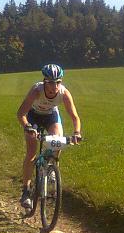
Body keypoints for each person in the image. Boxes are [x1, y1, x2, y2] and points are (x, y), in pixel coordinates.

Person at [16, 64, 82, 210]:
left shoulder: (64, 93)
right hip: (33, 117)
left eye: (58, 82)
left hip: (51, 116)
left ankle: (52, 166)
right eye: (51, 82)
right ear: (45, 82)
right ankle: (26, 190)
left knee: (58, 139)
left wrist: (77, 133)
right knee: (31, 154)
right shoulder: (36, 90)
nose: (55, 86)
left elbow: (75, 117)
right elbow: (21, 113)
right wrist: (27, 126)